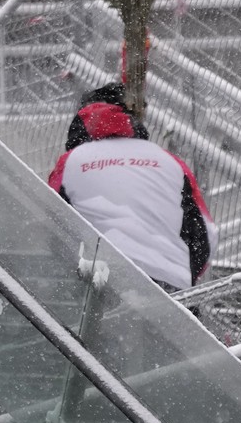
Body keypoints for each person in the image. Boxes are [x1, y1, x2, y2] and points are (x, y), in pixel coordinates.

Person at [48, 84, 216, 293]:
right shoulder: (169, 161)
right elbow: (206, 234)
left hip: (102, 281)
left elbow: (52, 221)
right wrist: (182, 273)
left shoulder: (70, 162)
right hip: (170, 288)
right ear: (130, 118)